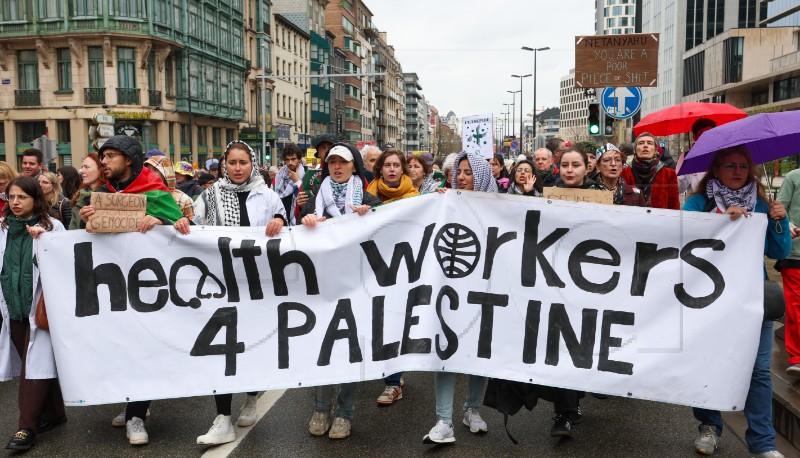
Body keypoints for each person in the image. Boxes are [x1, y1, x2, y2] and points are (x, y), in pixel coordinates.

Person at [175, 140, 286, 445]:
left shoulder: (268, 195)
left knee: (250, 346)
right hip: (219, 286)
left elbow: (284, 222)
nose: (238, 168)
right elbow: (194, 227)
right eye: (232, 163)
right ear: (225, 165)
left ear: (252, 164)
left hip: (256, 286)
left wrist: (279, 220)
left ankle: (251, 398)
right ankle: (223, 417)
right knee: (221, 350)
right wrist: (184, 222)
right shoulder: (209, 195)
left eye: (243, 163)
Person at [683, 145, 790, 458]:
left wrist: (778, 221)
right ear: (716, 170)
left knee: (758, 372)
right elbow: (684, 238)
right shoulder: (698, 203)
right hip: (708, 299)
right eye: (729, 165)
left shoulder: (761, 204)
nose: (737, 171)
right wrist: (719, 219)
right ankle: (709, 427)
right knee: (709, 363)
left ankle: (763, 443)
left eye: (743, 166)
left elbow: (779, 252)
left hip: (751, 298)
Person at [79, 135, 184, 446]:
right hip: (114, 284)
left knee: (144, 347)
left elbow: (184, 226)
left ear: (128, 160)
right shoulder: (100, 193)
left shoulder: (153, 189)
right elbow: (85, 239)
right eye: (103, 156)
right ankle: (131, 402)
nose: (105, 162)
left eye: (111, 156)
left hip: (149, 285)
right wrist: (83, 218)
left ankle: (137, 415)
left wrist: (162, 219)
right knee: (122, 347)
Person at [301, 143, 379, 439]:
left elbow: (393, 228)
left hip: (358, 285)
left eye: (343, 162)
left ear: (354, 166)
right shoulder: (314, 201)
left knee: (350, 349)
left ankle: (345, 413)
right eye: (331, 162)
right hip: (322, 285)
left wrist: (371, 215)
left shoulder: (369, 198)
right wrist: (306, 220)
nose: (337, 167)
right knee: (324, 347)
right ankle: (321, 409)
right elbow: (296, 234)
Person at [424, 151, 495, 445]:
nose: (463, 178)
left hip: (485, 290)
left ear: (482, 176)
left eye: (469, 172)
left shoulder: (499, 207)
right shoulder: (445, 203)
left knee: (478, 352)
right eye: (459, 172)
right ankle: (443, 420)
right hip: (450, 290)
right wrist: (436, 200)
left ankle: (472, 410)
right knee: (447, 351)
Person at [0, 176, 66, 451]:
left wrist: (43, 245)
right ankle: (54, 413)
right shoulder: (2, 228)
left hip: (40, 310)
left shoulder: (53, 227)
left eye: (22, 197)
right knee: (35, 364)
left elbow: (65, 265)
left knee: (33, 369)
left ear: (36, 199)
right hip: (12, 309)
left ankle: (25, 428)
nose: (15, 202)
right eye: (11, 197)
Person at [620, 132, 680, 210]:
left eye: (649, 143)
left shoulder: (669, 174)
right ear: (635, 150)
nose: (645, 145)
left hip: (659, 220)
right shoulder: (624, 173)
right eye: (641, 143)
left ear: (655, 150)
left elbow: (674, 205)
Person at [779, 168, 800, 379]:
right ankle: (797, 357)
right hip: (796, 254)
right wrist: (790, 225)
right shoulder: (794, 176)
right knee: (796, 309)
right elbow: (780, 209)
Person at [295, 134, 338, 211]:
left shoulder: (347, 170)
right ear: (318, 153)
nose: (327, 150)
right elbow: (299, 212)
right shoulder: (310, 174)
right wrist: (301, 205)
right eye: (323, 148)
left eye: (330, 147)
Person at [678, 118, 717, 197]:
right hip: (695, 206)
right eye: (703, 134)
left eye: (711, 133)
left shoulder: (722, 155)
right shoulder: (687, 157)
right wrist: (688, 166)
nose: (708, 137)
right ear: (694, 137)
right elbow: (679, 188)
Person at [69, 153, 106, 230]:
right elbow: (72, 230)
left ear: (100, 170)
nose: (81, 171)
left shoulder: (110, 196)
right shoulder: (79, 197)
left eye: (87, 167)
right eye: (82, 167)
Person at [275, 144, 305, 225]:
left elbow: (307, 200)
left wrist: (297, 181)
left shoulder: (306, 174)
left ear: (299, 159)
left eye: (293, 159)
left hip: (299, 220)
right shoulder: (279, 175)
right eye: (287, 160)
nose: (290, 162)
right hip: (282, 217)